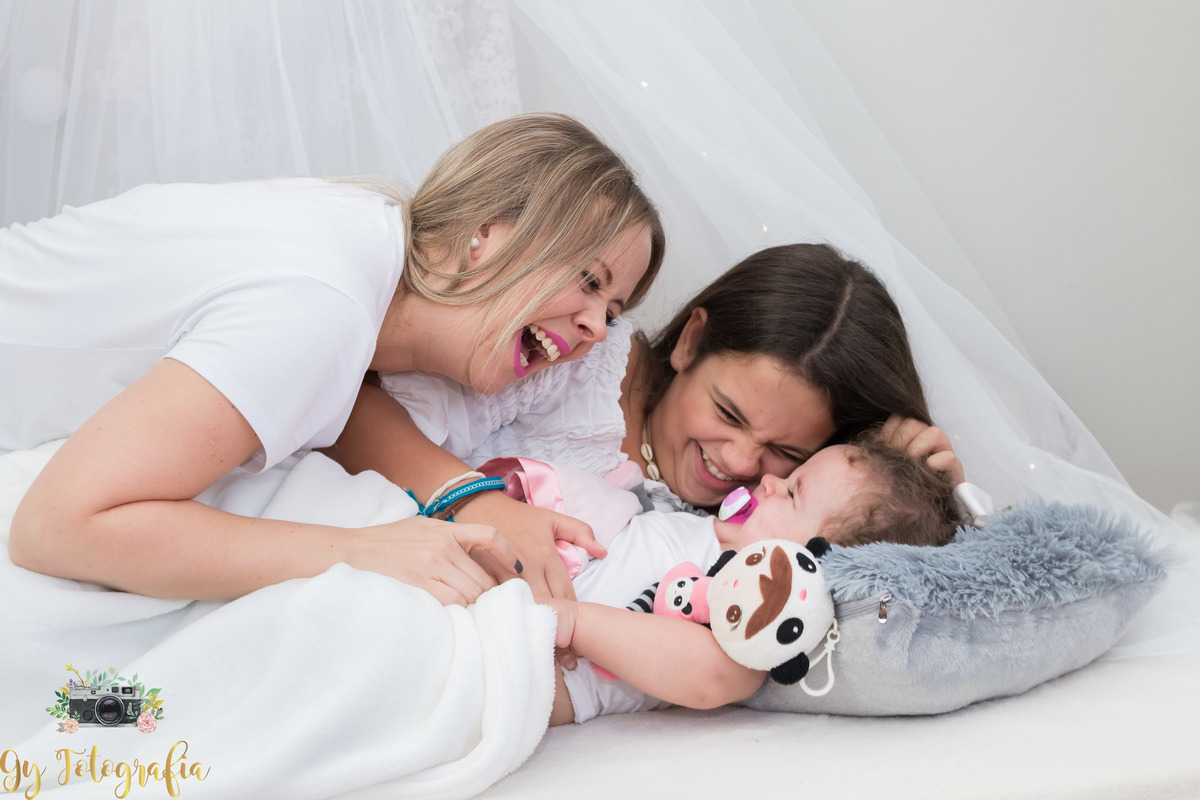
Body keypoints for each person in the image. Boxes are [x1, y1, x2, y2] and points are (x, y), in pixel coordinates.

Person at [3, 112, 665, 603]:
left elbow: (339, 399)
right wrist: (361, 554)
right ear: (489, 233)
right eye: (589, 280)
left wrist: (471, 496)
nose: (596, 330)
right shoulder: (325, 302)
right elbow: (57, 528)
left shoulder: (366, 240)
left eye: (612, 311)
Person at [328, 243, 964, 599]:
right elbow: (351, 400)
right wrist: (476, 502)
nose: (742, 463)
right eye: (727, 413)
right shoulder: (581, 359)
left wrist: (913, 478)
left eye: (787, 454)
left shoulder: (775, 524)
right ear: (690, 342)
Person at [519, 433, 964, 726]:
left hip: (527, 675)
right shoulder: (696, 525)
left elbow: (708, 676)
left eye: (792, 491)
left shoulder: (744, 620)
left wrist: (575, 623)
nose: (768, 479)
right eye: (790, 475)